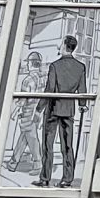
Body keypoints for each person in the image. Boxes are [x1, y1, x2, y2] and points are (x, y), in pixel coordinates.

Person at [37, 35, 88, 186]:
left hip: (53, 109)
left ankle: (45, 178)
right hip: (69, 109)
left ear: (65, 46)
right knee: (67, 146)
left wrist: (39, 107)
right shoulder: (80, 67)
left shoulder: (55, 66)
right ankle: (67, 179)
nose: (59, 46)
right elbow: (82, 89)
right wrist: (82, 104)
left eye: (61, 44)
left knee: (48, 145)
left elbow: (50, 89)